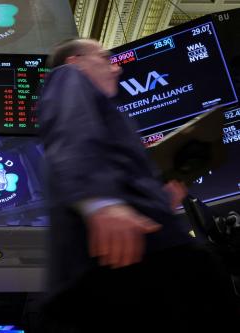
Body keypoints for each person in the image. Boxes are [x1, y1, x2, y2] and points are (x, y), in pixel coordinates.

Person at [38, 38, 238, 332]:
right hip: (119, 259)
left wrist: (160, 197)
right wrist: (100, 203)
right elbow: (71, 134)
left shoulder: (109, 113)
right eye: (105, 58)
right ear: (75, 61)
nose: (116, 69)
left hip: (134, 254)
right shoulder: (68, 76)